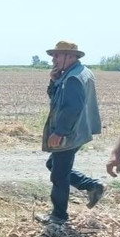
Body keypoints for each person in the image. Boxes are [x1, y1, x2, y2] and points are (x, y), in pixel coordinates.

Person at [37, 41, 103, 224]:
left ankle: (58, 216)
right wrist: (54, 81)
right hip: (79, 130)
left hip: (70, 133)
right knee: (54, 164)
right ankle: (92, 186)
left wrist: (59, 132)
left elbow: (71, 108)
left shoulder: (73, 78)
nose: (54, 59)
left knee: (59, 175)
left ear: (71, 57)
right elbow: (58, 99)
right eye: (54, 55)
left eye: (57, 55)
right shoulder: (81, 72)